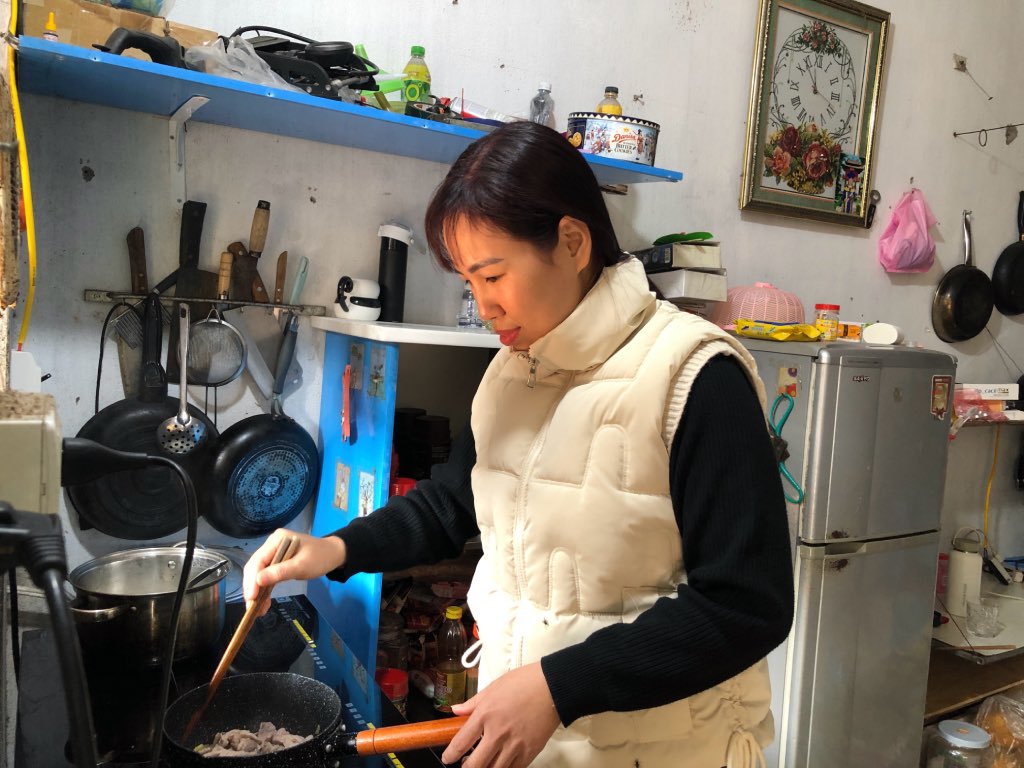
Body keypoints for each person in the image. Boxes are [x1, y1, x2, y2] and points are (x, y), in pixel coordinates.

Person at [244, 120, 793, 768]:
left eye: (493, 276)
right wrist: (333, 548)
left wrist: (559, 687)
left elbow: (746, 605)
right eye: (468, 283)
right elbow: (449, 505)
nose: (484, 304)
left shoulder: (694, 376)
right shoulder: (512, 372)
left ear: (572, 241)